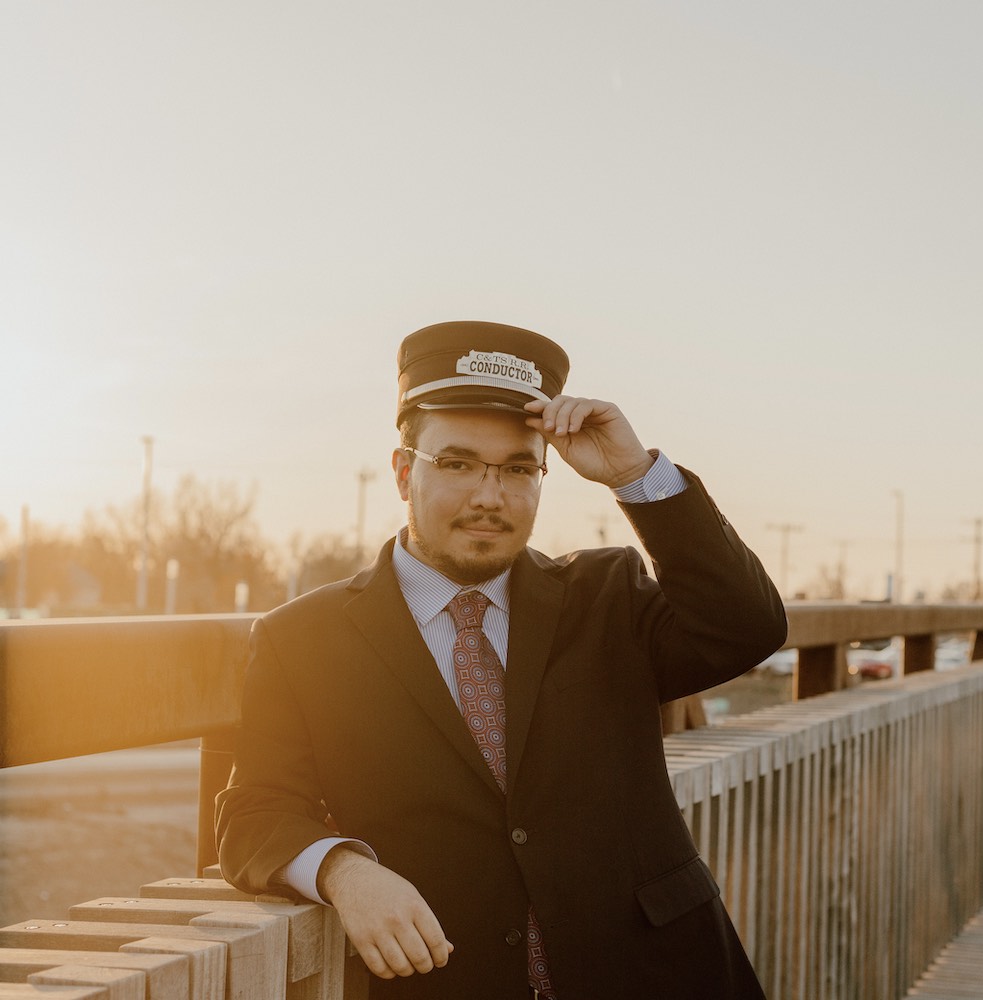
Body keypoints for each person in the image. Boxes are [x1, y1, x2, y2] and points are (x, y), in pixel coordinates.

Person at [216, 320, 787, 1000]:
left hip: (654, 976)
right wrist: (343, 870)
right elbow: (253, 811)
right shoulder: (301, 639)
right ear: (403, 472)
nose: (490, 496)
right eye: (456, 464)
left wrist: (637, 474)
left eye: (518, 469)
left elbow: (746, 627)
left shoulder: (608, 598)